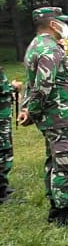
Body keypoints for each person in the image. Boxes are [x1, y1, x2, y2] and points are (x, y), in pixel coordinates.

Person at [17, 6, 68, 226]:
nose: (65, 25)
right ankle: (66, 213)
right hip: (59, 114)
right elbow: (43, 86)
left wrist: (26, 108)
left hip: (53, 115)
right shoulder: (50, 48)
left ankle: (57, 205)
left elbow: (30, 82)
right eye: (61, 21)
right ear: (53, 24)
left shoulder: (36, 46)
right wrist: (31, 112)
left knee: (55, 159)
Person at [0, 67, 21, 203]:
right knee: (1, 150)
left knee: (6, 149)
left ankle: (3, 184)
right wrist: (12, 87)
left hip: (3, 114)